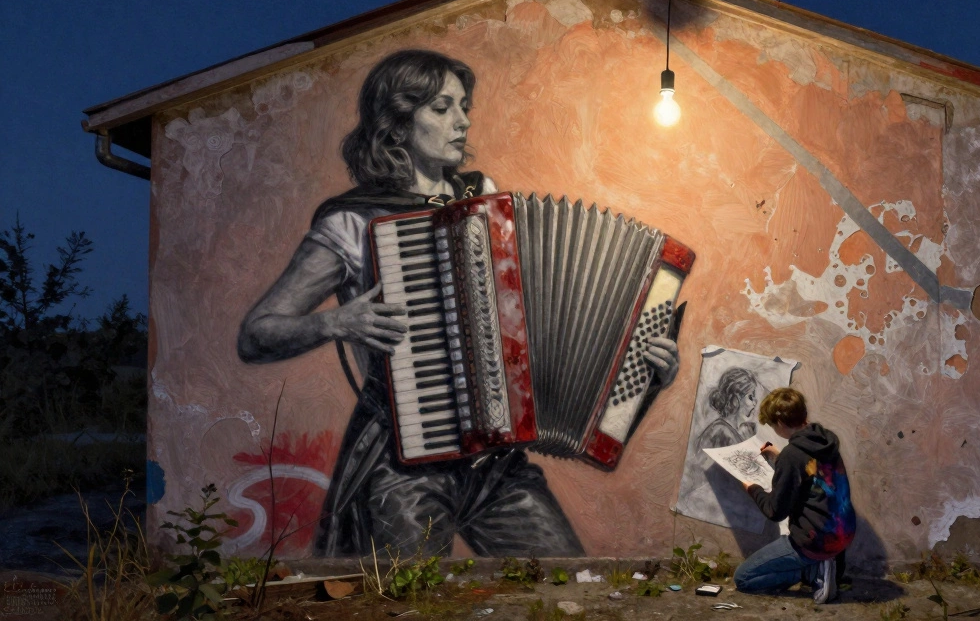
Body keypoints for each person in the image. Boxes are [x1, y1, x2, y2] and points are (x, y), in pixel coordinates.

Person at [237, 49, 680, 557]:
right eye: (442, 108)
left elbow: (548, 326)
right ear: (398, 125)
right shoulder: (350, 224)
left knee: (562, 587)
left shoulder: (485, 201)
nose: (463, 120)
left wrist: (643, 367)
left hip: (495, 463)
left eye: (464, 106)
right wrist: (336, 321)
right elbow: (256, 334)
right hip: (400, 464)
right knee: (401, 603)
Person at [733, 388, 855, 604]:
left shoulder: (793, 455)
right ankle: (826, 567)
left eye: (771, 424)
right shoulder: (825, 440)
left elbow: (775, 511)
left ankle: (812, 572)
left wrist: (753, 488)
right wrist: (780, 458)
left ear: (779, 422)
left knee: (743, 578)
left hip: (814, 541)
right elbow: (815, 474)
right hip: (842, 532)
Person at [694, 367, 765, 449]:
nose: (755, 403)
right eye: (751, 397)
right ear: (736, 400)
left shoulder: (732, 431)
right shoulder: (721, 432)